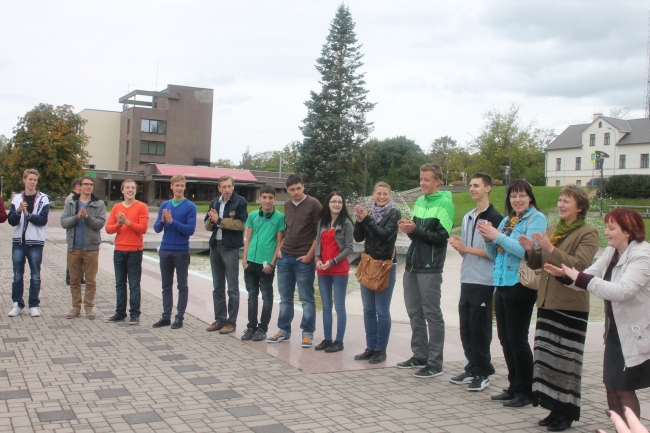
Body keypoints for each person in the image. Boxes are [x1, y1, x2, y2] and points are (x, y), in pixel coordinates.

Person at [545, 208, 650, 422]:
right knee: (611, 387)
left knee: (624, 389)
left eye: (612, 228)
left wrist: (579, 278)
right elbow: (588, 277)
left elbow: (622, 292)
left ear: (628, 231)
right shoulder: (612, 253)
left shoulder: (643, 256)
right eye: (607, 227)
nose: (606, 232)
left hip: (635, 333)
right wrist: (566, 276)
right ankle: (620, 427)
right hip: (614, 333)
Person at [518, 185, 599, 431]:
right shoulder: (552, 229)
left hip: (570, 306)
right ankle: (554, 408)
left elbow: (580, 265)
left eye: (567, 201)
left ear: (580, 207)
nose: (561, 205)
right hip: (547, 302)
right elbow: (537, 263)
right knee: (548, 360)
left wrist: (551, 249)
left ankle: (567, 412)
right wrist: (530, 250)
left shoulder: (588, 232)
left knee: (566, 363)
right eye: (560, 200)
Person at [479, 179, 547, 408]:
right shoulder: (508, 220)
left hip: (520, 284)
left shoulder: (536, 219)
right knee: (505, 338)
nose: (517, 200)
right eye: (513, 196)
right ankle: (513, 385)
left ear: (530, 197)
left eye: (522, 195)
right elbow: (494, 254)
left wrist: (497, 236)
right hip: (501, 282)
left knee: (517, 340)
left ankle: (525, 391)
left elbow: (527, 251)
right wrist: (488, 239)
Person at [396, 163, 455, 377]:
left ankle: (435, 363)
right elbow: (417, 234)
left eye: (426, 179)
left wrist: (417, 229)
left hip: (430, 267)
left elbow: (441, 238)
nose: (422, 183)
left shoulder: (446, 204)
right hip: (413, 264)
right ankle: (420, 355)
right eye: (421, 179)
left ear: (437, 181)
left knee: (432, 314)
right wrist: (409, 229)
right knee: (414, 312)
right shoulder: (420, 201)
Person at [448, 173, 503, 392]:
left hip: (484, 280)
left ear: (488, 188)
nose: (472, 189)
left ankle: (483, 371)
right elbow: (466, 252)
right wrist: (460, 247)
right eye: (471, 185)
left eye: (476, 185)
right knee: (466, 327)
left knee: (479, 328)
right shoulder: (469, 216)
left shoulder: (495, 218)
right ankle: (471, 367)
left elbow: (494, 253)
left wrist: (466, 249)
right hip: (467, 278)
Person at [268, 174, 322, 347]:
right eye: (292, 189)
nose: (296, 192)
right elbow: (287, 229)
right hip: (285, 257)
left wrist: (309, 256)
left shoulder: (314, 204)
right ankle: (284, 330)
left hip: (303, 259)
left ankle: (307, 333)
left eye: (298, 188)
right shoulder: (287, 205)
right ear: (287, 190)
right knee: (285, 298)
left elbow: (319, 233)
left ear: (303, 186)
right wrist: (279, 249)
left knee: (306, 298)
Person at [353, 181, 401, 364]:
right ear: (373, 195)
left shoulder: (394, 213)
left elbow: (385, 235)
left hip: (384, 267)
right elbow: (358, 237)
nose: (381, 197)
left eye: (385, 194)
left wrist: (366, 219)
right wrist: (359, 221)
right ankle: (370, 347)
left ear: (390, 196)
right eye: (378, 193)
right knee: (368, 309)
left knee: (382, 310)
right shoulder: (369, 214)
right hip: (368, 265)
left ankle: (381, 349)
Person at [151, 175, 197, 329]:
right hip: (165, 250)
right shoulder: (165, 205)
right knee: (166, 285)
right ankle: (166, 316)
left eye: (182, 186)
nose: (179, 188)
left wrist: (173, 222)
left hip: (181, 251)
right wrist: (163, 221)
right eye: (177, 185)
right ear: (171, 186)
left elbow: (190, 230)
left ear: (185, 187)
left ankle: (179, 317)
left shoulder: (190, 206)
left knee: (182, 285)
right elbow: (157, 228)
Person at [241, 186, 285, 342]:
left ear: (274, 199)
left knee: (267, 296)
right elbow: (248, 239)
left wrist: (272, 264)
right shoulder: (253, 215)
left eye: (270, 198)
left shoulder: (279, 217)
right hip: (250, 262)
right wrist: (244, 260)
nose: (267, 201)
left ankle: (262, 328)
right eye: (264, 197)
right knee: (252, 296)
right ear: (259, 198)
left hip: (266, 264)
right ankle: (251, 327)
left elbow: (279, 243)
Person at [205, 175, 248, 335]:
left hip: (230, 247)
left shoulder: (240, 202)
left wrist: (219, 220)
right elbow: (207, 225)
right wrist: (211, 220)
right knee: (217, 286)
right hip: (215, 246)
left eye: (229, 186)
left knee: (232, 288)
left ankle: (231, 322)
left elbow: (240, 224)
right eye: (224, 187)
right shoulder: (215, 202)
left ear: (233, 186)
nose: (227, 189)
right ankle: (220, 319)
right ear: (219, 188)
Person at [60, 175, 106, 320]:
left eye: (91, 184)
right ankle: (76, 307)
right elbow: (64, 222)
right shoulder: (71, 203)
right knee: (74, 280)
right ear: (80, 186)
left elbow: (99, 224)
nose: (88, 187)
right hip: (74, 247)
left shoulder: (99, 204)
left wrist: (87, 217)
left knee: (91, 280)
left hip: (91, 248)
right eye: (86, 184)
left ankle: (89, 307)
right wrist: (77, 217)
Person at [313, 191, 354, 353]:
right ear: (328, 204)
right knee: (326, 305)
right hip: (323, 269)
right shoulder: (322, 222)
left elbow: (349, 248)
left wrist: (332, 261)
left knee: (339, 306)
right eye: (333, 201)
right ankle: (327, 339)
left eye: (339, 202)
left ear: (342, 205)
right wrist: (317, 259)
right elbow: (318, 245)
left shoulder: (347, 223)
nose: (336, 204)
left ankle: (339, 341)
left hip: (339, 270)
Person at [105, 179, 149, 325]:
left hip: (134, 250)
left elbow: (143, 228)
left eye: (133, 188)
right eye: (127, 188)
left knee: (134, 284)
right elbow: (108, 229)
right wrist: (118, 224)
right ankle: (120, 313)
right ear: (122, 190)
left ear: (136, 191)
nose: (130, 190)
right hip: (119, 250)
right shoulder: (117, 207)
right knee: (119, 283)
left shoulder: (141, 207)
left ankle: (135, 314)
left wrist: (127, 222)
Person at [7, 169, 50, 318]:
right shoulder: (17, 198)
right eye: (30, 179)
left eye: (35, 180)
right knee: (17, 275)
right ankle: (17, 304)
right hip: (19, 242)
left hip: (35, 242)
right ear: (24, 180)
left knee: (35, 275)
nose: (32, 182)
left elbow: (42, 220)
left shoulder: (43, 198)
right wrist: (18, 212)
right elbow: (11, 221)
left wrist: (28, 215)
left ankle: (34, 304)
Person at [65, 178, 83, 285]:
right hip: (73, 230)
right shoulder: (71, 198)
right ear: (77, 186)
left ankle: (79, 276)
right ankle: (70, 277)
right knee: (72, 257)